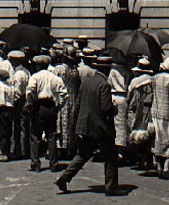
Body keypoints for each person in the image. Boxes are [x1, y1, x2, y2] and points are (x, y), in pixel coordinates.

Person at [54, 56, 128, 196]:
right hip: (100, 127)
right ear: (107, 69)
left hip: (84, 124)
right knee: (111, 155)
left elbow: (78, 103)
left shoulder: (86, 82)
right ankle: (111, 186)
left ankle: (64, 177)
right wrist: (114, 109)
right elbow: (105, 108)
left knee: (83, 154)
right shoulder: (104, 85)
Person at [25, 55, 67, 172]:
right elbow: (64, 94)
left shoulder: (35, 77)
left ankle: (35, 163)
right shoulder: (55, 78)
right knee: (51, 136)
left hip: (38, 106)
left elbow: (30, 91)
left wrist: (31, 102)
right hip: (50, 106)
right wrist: (58, 106)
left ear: (38, 65)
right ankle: (53, 163)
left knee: (35, 136)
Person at [0, 68, 16, 162]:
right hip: (10, 109)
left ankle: (4, 153)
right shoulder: (11, 87)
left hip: (1, 109)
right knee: (8, 131)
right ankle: (7, 151)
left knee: (2, 132)